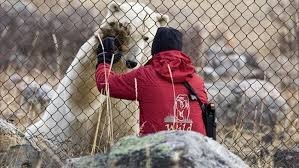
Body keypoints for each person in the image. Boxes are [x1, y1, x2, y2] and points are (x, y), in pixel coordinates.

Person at [95, 27, 208, 135]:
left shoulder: (144, 76)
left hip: (155, 149)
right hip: (196, 149)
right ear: (179, 50)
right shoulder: (196, 81)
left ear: (154, 48)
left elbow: (105, 84)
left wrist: (104, 60)